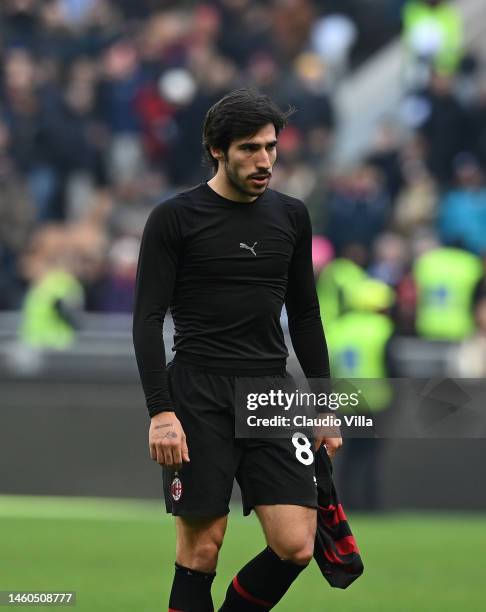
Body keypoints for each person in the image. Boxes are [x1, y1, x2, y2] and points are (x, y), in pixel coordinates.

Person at [132, 88, 341, 612]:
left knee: (295, 544)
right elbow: (147, 320)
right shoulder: (174, 218)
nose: (265, 160)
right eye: (250, 148)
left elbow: (308, 316)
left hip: (271, 391)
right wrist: (161, 411)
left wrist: (324, 403)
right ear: (217, 150)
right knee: (201, 548)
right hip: (198, 390)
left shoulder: (291, 216)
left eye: (271, 147)